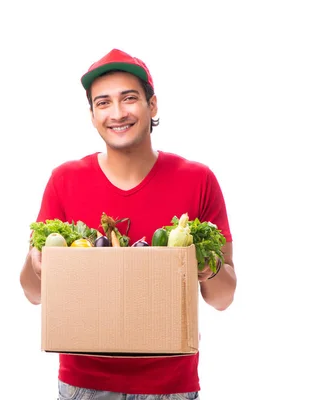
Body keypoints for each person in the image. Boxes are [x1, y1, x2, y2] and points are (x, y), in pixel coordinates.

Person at [19, 48, 237, 399]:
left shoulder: (197, 180)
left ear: (152, 106)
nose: (117, 113)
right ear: (92, 115)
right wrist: (38, 264)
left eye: (129, 98)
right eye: (103, 103)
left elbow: (224, 298)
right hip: (84, 385)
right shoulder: (65, 180)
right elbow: (32, 294)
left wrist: (204, 267)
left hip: (170, 387)